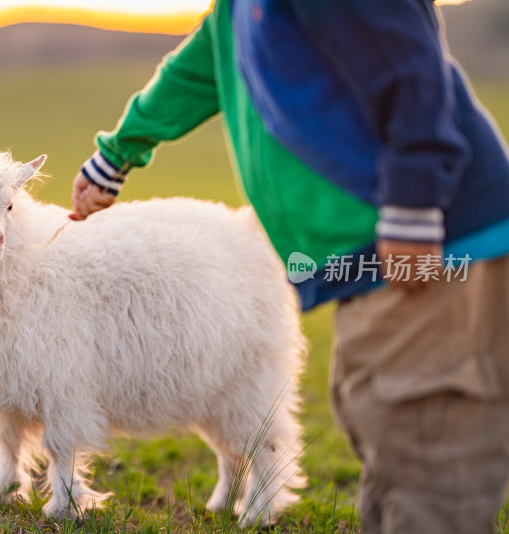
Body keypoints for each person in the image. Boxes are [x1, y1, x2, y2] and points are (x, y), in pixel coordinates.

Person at [68, 1, 509, 532]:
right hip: (369, 256)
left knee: (423, 437)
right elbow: (200, 67)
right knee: (380, 420)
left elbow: (408, 68)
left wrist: (415, 206)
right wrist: (116, 154)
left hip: (432, 241)